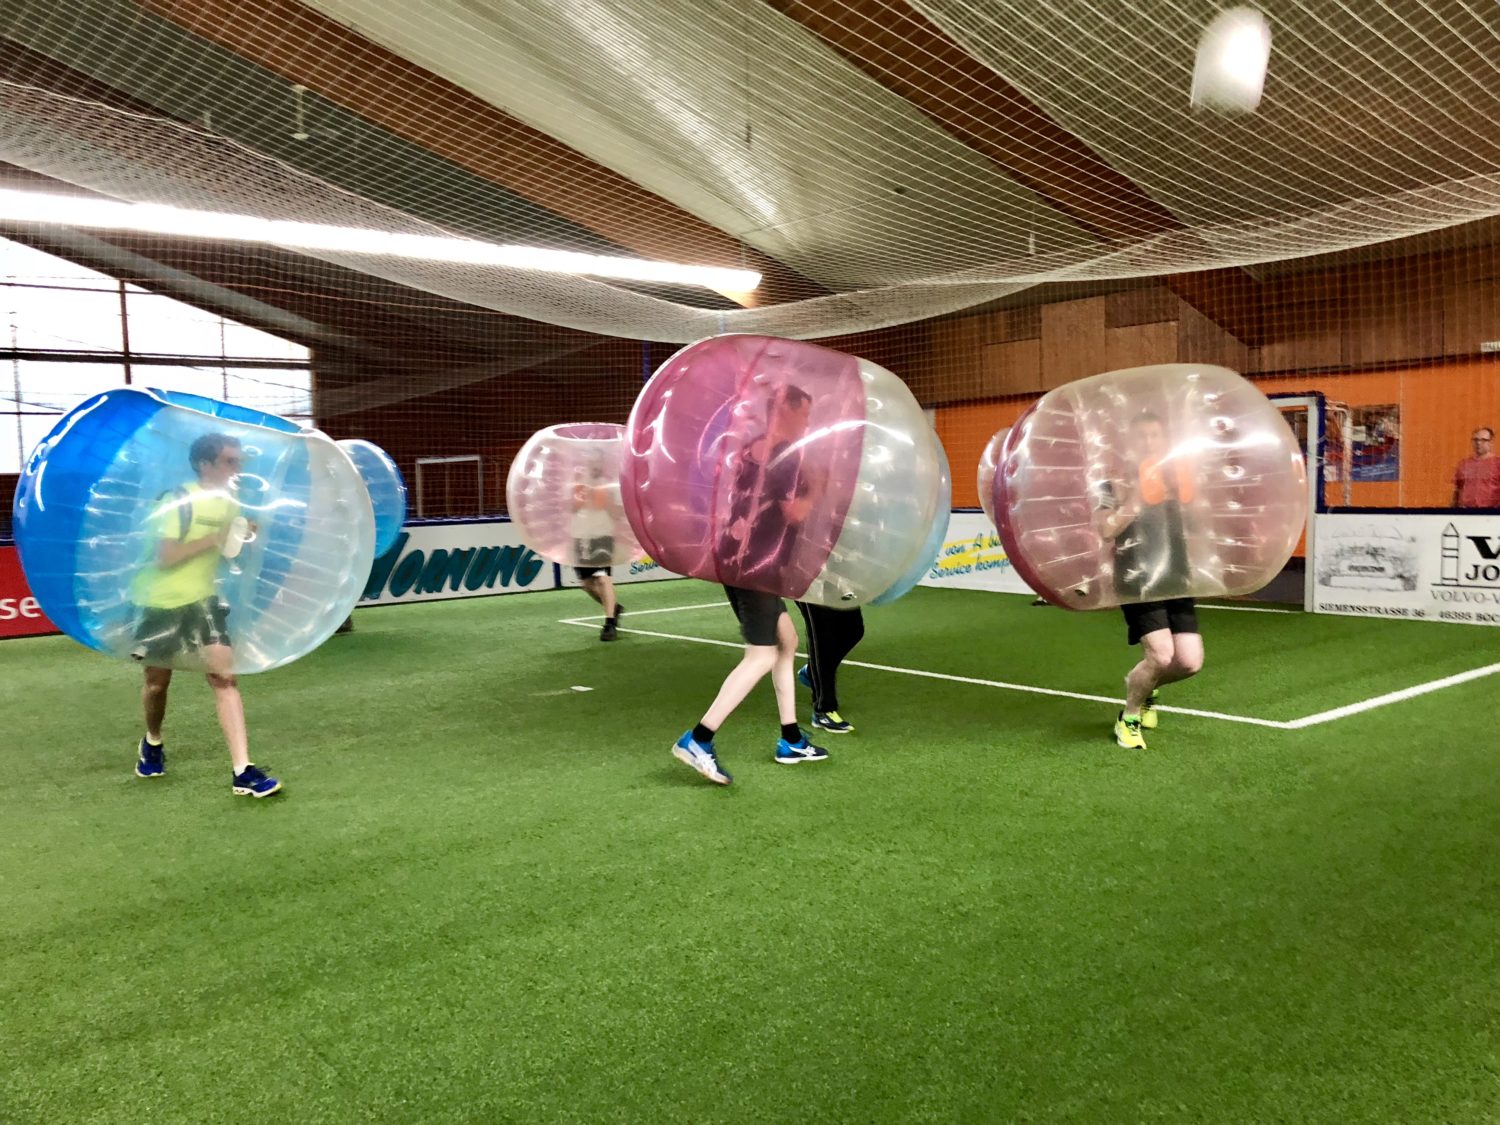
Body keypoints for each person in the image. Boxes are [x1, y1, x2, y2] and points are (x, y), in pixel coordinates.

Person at [673, 384, 830, 784]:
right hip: (756, 567)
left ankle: (791, 739)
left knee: (787, 641)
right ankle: (698, 739)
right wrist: (818, 487)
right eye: (804, 414)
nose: (807, 423)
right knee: (760, 656)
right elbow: (794, 513)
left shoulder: (753, 447)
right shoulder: (783, 454)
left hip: (740, 560)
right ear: (785, 409)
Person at [129, 433, 281, 796]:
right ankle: (153, 741)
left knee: (224, 678)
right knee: (157, 683)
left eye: (239, 461)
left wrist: (243, 534)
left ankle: (243, 771)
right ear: (204, 464)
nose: (237, 468)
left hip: (204, 600)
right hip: (161, 602)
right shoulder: (177, 501)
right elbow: (165, 557)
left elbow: (229, 552)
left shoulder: (230, 503)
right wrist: (216, 537)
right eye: (230, 461)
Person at [1096, 411, 1203, 750]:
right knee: (1160, 655)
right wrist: (1135, 500)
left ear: (1164, 441)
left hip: (1176, 576)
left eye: (1154, 435)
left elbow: (1199, 524)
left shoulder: (1177, 479)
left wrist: (1189, 500)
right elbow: (1104, 529)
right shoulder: (1112, 483)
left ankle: (1147, 688)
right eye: (1141, 436)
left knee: (1189, 662)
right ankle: (1128, 717)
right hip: (1138, 578)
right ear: (1131, 442)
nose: (1148, 442)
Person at [570, 458, 624, 641]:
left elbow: (616, 512)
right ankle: (614, 608)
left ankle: (610, 623)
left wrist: (607, 501)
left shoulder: (607, 486)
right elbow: (569, 509)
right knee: (586, 584)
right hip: (580, 538)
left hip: (602, 536)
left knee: (602, 577)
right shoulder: (576, 485)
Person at [793, 602, 862, 733]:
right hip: (809, 590)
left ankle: (812, 672)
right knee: (822, 636)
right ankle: (823, 711)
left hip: (838, 588)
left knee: (854, 630)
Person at [1452, 426, 1500, 509]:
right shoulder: (1464, 464)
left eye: (1483, 440)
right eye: (1476, 440)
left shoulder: (1498, 463)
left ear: (1491, 443)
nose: (1478, 443)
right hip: (1465, 512)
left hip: (1491, 513)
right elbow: (1457, 490)